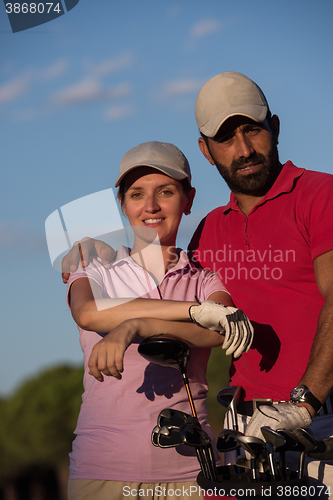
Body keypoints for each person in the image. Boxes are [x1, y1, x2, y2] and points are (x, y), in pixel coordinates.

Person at [62, 72, 333, 496]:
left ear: (275, 127)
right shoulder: (207, 233)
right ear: (207, 151)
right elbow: (175, 294)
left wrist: (304, 402)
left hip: (316, 417)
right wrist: (94, 247)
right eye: (225, 138)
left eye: (252, 130)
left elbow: (217, 323)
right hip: (241, 432)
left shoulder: (321, 194)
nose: (243, 149)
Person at [65, 140, 253, 500]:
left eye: (165, 192)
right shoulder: (94, 268)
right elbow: (89, 313)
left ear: (189, 199)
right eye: (136, 194)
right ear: (122, 205)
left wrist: (137, 326)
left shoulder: (204, 279)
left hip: (192, 474)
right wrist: (191, 311)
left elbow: (221, 330)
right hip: (102, 471)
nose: (150, 206)